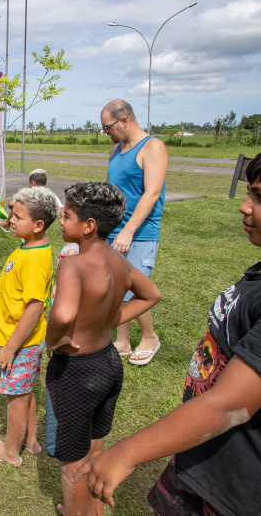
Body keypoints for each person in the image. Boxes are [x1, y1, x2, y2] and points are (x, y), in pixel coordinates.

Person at [74, 139, 261, 516]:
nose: (245, 207)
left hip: (255, 490)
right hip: (209, 458)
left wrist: (126, 453)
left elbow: (230, 403)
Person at [44, 182, 161, 516]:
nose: (62, 222)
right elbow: (151, 294)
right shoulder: (118, 261)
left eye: (66, 216)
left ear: (88, 226)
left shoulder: (74, 265)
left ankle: (76, 512)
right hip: (108, 364)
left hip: (76, 372)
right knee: (95, 448)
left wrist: (54, 340)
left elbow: (64, 314)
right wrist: (112, 319)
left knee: (72, 464)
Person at [0, 186, 59, 467]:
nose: (11, 221)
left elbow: (35, 307)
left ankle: (11, 452)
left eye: (18, 217)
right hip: (19, 340)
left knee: (16, 397)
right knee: (25, 390)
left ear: (38, 225)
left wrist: (11, 348)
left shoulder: (36, 258)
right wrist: (15, 205)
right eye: (12, 215)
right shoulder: (30, 245)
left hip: (18, 343)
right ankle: (31, 441)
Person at [101, 99, 168, 365]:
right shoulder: (115, 150)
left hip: (139, 232)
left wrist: (128, 231)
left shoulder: (152, 147)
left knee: (135, 288)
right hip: (113, 230)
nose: (106, 133)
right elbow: (111, 191)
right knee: (114, 287)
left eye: (107, 127)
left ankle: (150, 337)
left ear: (124, 120)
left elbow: (151, 193)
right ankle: (122, 340)